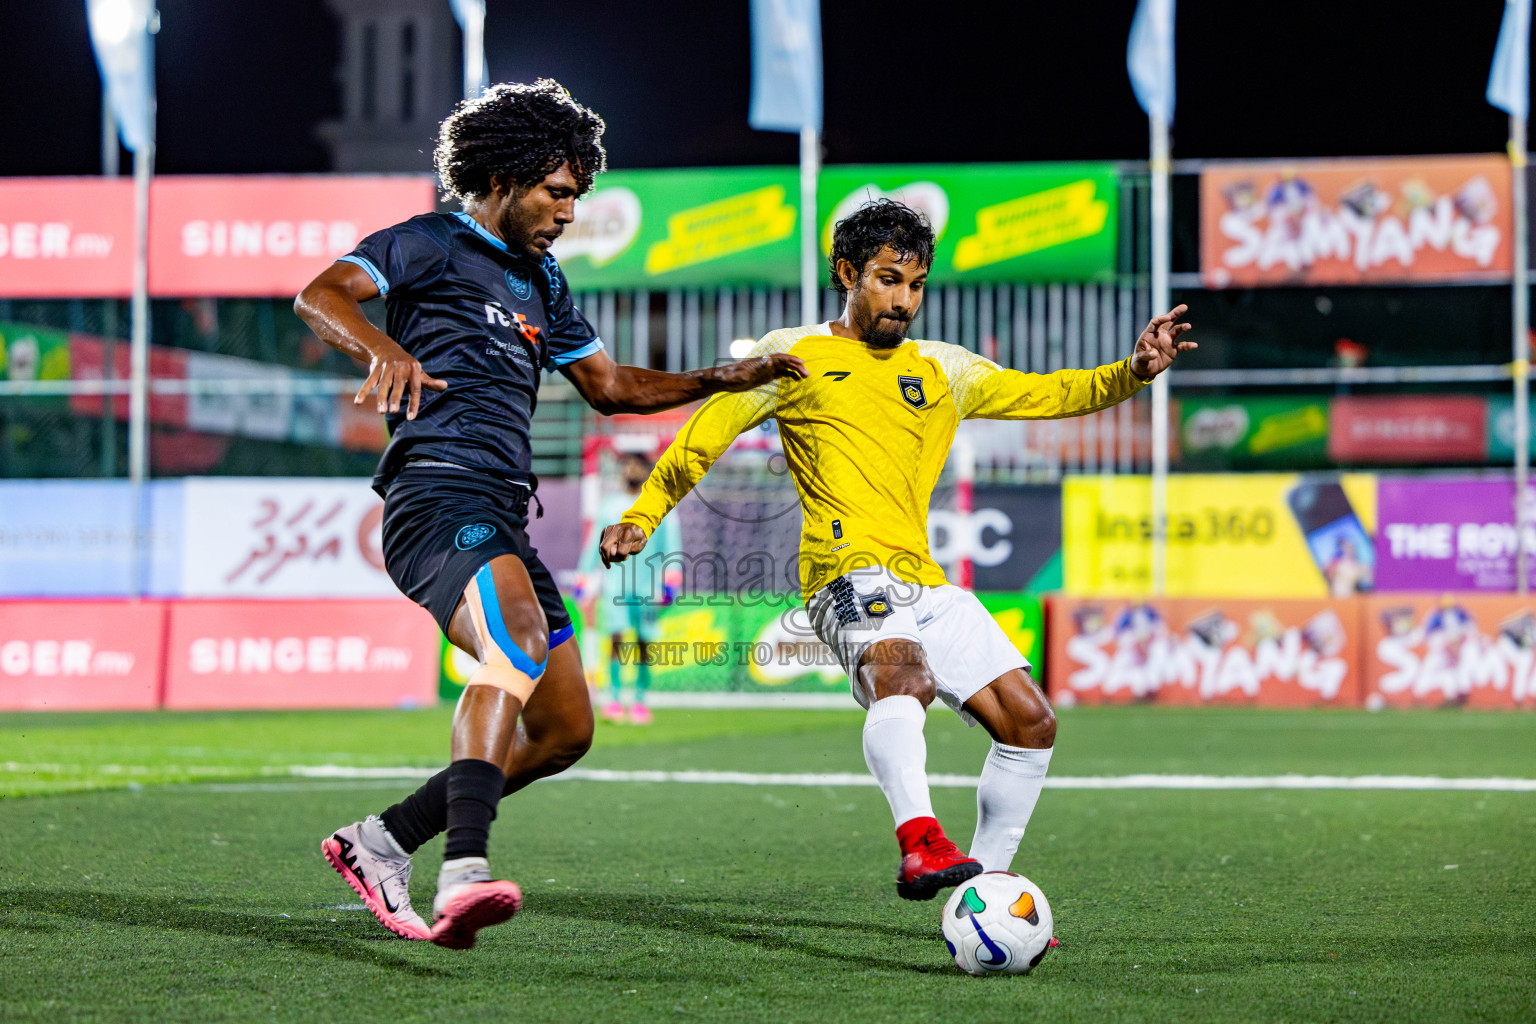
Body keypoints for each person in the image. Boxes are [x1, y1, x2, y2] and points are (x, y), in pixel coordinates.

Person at [293, 79, 804, 949]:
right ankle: (465, 870)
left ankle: (380, 842)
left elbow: (609, 388)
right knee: (516, 642)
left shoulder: (545, 282)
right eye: (556, 192)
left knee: (565, 728)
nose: (569, 211)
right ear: (500, 176)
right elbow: (321, 296)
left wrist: (715, 379)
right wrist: (385, 348)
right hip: (436, 491)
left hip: (501, 511)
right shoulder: (430, 242)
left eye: (577, 195)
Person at [600, 200, 1194, 902]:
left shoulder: (945, 369)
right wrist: (643, 515)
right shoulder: (794, 356)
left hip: (923, 580)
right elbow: (704, 438)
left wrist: (1132, 370)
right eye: (887, 280)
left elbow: (1047, 394)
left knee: (1030, 722)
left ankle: (987, 893)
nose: (903, 300)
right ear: (848, 273)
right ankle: (920, 841)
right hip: (842, 569)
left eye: (914, 285)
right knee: (902, 680)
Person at [577, 451, 680, 724]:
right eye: (628, 465)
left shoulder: (661, 507)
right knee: (616, 639)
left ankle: (640, 701)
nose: (632, 469)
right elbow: (593, 546)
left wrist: (671, 580)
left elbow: (672, 547)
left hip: (648, 587)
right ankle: (612, 698)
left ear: (647, 472)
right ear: (621, 472)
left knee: (644, 642)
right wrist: (584, 577)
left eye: (638, 465)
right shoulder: (609, 507)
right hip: (615, 587)